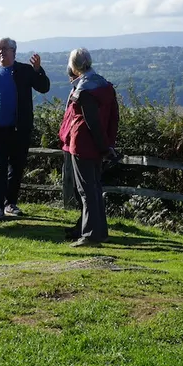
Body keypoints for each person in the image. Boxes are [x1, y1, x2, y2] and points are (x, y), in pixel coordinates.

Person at [0, 37, 50, 223]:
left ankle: (11, 203)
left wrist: (38, 70)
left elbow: (44, 87)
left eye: (5, 49)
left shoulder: (24, 71)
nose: (1, 52)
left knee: (16, 169)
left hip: (20, 130)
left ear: (13, 51)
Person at [59, 48, 120, 247]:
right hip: (98, 144)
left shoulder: (83, 90)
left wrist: (103, 146)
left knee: (86, 191)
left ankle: (90, 235)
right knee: (94, 189)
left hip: (82, 144)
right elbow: (112, 118)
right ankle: (99, 231)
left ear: (73, 66)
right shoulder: (105, 86)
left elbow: (90, 121)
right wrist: (107, 144)